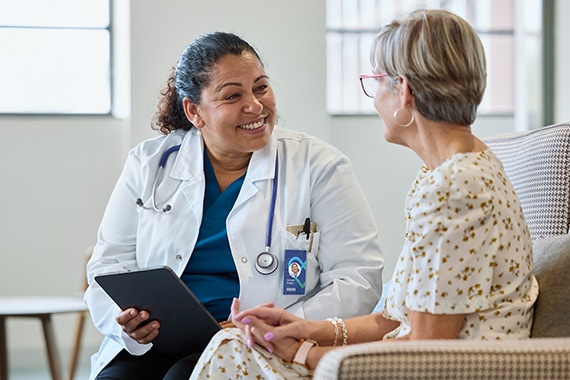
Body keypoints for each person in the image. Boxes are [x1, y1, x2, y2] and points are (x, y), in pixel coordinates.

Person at [189, 10, 539, 379]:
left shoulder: (453, 189)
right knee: (235, 346)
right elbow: (396, 319)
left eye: (376, 81)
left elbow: (429, 351)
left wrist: (303, 353)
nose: (375, 100)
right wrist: (304, 328)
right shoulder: (452, 169)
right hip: (414, 359)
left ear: (403, 92)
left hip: (449, 371)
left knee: (232, 351)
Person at [84, 31, 384, 380]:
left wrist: (287, 323)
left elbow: (357, 278)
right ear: (194, 111)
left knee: (186, 376)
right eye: (233, 96)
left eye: (261, 88)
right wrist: (127, 323)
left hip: (256, 341)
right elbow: (109, 265)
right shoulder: (150, 163)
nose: (255, 106)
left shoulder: (318, 166)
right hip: (159, 338)